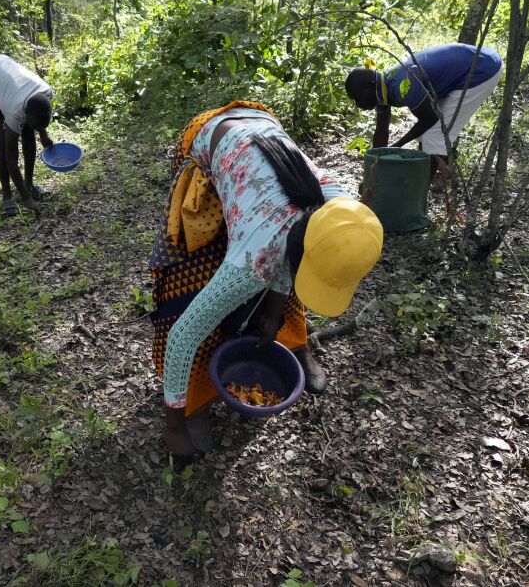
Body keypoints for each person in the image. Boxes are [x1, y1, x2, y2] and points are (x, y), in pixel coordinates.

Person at [150, 102, 383, 458]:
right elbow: (184, 334)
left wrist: (273, 314)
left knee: (292, 276)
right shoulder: (255, 257)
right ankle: (190, 407)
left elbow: (297, 254)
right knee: (190, 280)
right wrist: (172, 426)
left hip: (262, 129)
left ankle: (295, 342)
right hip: (210, 137)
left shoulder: (344, 211)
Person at [345, 43, 503, 177]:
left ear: (371, 85)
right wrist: (373, 173)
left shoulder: (402, 86)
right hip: (469, 65)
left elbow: (429, 119)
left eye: (358, 97)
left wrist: (397, 146)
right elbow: (381, 132)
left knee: (434, 135)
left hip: (482, 69)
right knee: (427, 137)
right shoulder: (381, 89)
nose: (358, 105)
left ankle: (417, 194)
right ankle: (431, 172)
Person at [0, 54, 55, 216]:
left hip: (2, 72)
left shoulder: (46, 92)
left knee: (28, 132)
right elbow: (11, 160)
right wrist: (26, 199)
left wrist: (43, 134)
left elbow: (37, 119)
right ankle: (7, 195)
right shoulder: (15, 112)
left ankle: (28, 184)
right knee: (1, 140)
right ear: (25, 113)